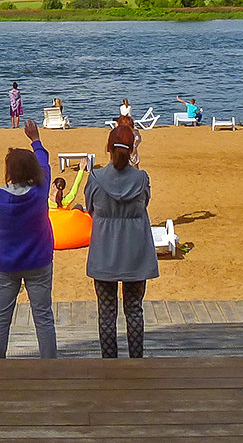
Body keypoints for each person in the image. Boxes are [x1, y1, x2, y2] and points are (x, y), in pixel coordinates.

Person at [0, 119, 57, 359]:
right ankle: (50, 365)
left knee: (1, 317)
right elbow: (45, 163)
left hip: (5, 264)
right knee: (44, 317)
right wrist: (36, 139)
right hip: (38, 261)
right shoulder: (40, 191)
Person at [86, 124, 158, 358]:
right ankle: (136, 361)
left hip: (105, 251)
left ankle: (110, 363)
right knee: (134, 310)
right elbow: (144, 204)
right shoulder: (141, 178)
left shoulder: (96, 178)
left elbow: (89, 208)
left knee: (106, 313)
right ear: (131, 150)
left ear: (108, 148)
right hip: (135, 251)